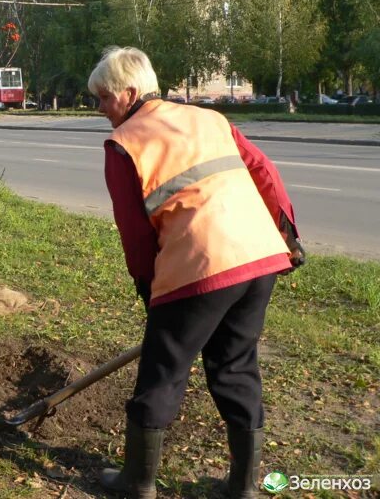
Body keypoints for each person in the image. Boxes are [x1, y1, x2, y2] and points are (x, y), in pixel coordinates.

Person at [87, 47, 304, 499]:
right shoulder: (209, 118)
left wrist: (149, 288)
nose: (101, 109)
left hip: (200, 268)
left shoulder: (124, 142)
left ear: (129, 93)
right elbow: (262, 169)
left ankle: (136, 482)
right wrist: (287, 232)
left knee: (162, 371)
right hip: (258, 257)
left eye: (104, 98)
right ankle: (243, 487)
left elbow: (135, 233)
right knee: (235, 367)